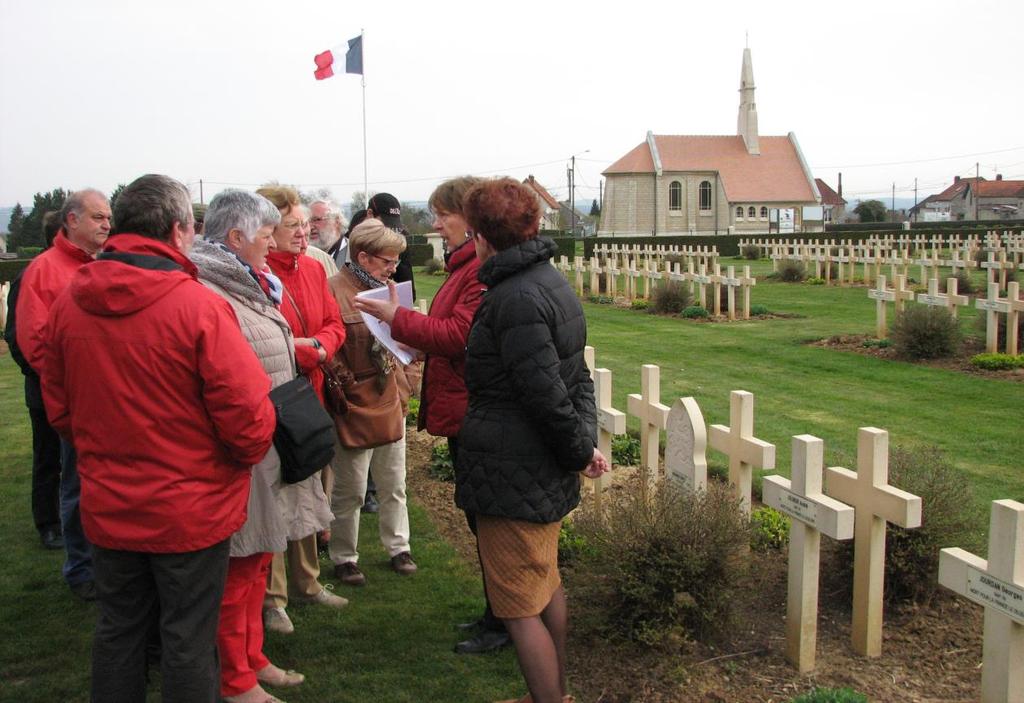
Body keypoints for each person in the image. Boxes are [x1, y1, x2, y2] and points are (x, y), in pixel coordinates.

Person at [41, 174, 277, 702]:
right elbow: (248, 416)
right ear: (177, 231)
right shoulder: (198, 306)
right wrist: (236, 461)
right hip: (189, 510)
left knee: (119, 631)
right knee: (188, 640)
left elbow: (60, 409)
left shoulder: (69, 301)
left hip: (112, 502)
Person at [456, 177, 609, 703]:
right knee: (543, 583)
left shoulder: (515, 298)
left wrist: (577, 448)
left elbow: (547, 394)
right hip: (536, 464)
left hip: (511, 469)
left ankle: (551, 699)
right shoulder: (547, 280)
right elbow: (577, 379)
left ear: (479, 235)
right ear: (533, 225)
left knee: (519, 605)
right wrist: (582, 446)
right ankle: (554, 694)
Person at [354, 176, 508, 654]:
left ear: (470, 218)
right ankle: (497, 613)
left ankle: (505, 621)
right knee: (478, 520)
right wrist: (420, 343)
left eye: (443, 215)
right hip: (462, 407)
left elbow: (460, 335)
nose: (436, 224)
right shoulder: (463, 266)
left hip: (474, 410)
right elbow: (451, 334)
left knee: (489, 525)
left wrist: (394, 319)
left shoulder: (479, 271)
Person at [190, 189, 316, 703]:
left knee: (259, 557)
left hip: (267, 440)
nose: (273, 244)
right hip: (240, 449)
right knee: (239, 568)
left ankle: (253, 657)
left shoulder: (247, 282)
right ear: (237, 238)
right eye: (267, 236)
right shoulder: (212, 290)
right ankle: (234, 679)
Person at [257, 184, 348, 635]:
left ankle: (308, 582)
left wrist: (318, 348)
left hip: (311, 393)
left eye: (305, 224)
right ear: (267, 230)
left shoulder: (313, 269)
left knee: (311, 486)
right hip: (275, 397)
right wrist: (310, 350)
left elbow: (334, 323)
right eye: (292, 225)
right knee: (276, 495)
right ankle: (274, 600)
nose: (303, 232)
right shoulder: (256, 275)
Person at [16, 188, 111, 599]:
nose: (106, 224)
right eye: (97, 217)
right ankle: (81, 570)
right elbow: (37, 344)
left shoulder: (107, 265)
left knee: (106, 488)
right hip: (75, 402)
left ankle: (109, 564)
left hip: (112, 399)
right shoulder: (44, 269)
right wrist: (77, 389)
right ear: (71, 220)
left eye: (108, 217)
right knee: (75, 486)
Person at [325, 218, 417, 586]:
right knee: (350, 489)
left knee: (394, 482)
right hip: (353, 403)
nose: (394, 269)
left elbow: (408, 345)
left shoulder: (390, 290)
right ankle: (344, 556)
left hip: (390, 396)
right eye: (387, 261)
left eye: (395, 261)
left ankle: (399, 547)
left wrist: (409, 385)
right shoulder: (332, 290)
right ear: (362, 257)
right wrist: (344, 385)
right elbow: (327, 344)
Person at [5, 211, 66, 551]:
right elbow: (17, 337)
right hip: (43, 390)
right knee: (47, 459)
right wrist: (47, 376)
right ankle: (48, 523)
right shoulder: (30, 276)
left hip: (71, 389)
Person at [366, 192, 415, 297]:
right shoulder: (353, 241)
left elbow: (408, 292)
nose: (390, 230)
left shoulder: (399, 245)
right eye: (385, 223)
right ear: (370, 214)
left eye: (393, 225)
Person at [309, 199, 348, 267]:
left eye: (317, 220)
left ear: (336, 221)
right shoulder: (303, 256)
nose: (310, 227)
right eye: (307, 221)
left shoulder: (354, 255)